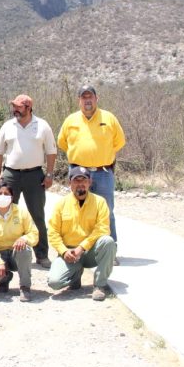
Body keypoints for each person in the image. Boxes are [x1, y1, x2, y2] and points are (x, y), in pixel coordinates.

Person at [58, 85, 125, 253]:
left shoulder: (109, 118)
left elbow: (119, 142)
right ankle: (78, 249)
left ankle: (110, 250)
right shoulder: (70, 120)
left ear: (96, 99)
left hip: (103, 173)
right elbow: (62, 143)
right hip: (78, 175)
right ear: (79, 100)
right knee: (77, 211)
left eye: (90, 97)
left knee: (106, 212)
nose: (87, 100)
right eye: (84, 97)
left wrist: (101, 155)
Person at [0, 94, 56, 268]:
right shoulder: (7, 126)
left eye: (18, 107)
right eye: (14, 106)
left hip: (34, 175)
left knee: (37, 215)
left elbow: (51, 151)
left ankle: (42, 254)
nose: (15, 110)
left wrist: (49, 175)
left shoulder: (42, 126)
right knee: (4, 212)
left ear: (28, 107)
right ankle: (4, 253)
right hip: (10, 175)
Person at [47, 167, 116, 301]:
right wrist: (63, 251)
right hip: (69, 253)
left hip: (91, 251)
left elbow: (103, 228)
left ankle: (99, 285)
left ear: (90, 182)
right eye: (76, 180)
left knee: (108, 241)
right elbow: (53, 232)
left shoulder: (99, 202)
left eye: (83, 180)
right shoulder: (61, 204)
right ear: (69, 183)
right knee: (54, 283)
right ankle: (76, 274)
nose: (80, 183)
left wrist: (82, 247)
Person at [0, 181, 39, 301]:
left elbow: (34, 233)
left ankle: (25, 287)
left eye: (6, 193)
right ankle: (4, 279)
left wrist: (24, 238)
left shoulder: (21, 212)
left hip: (16, 253)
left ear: (12, 197)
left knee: (25, 249)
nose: (3, 196)